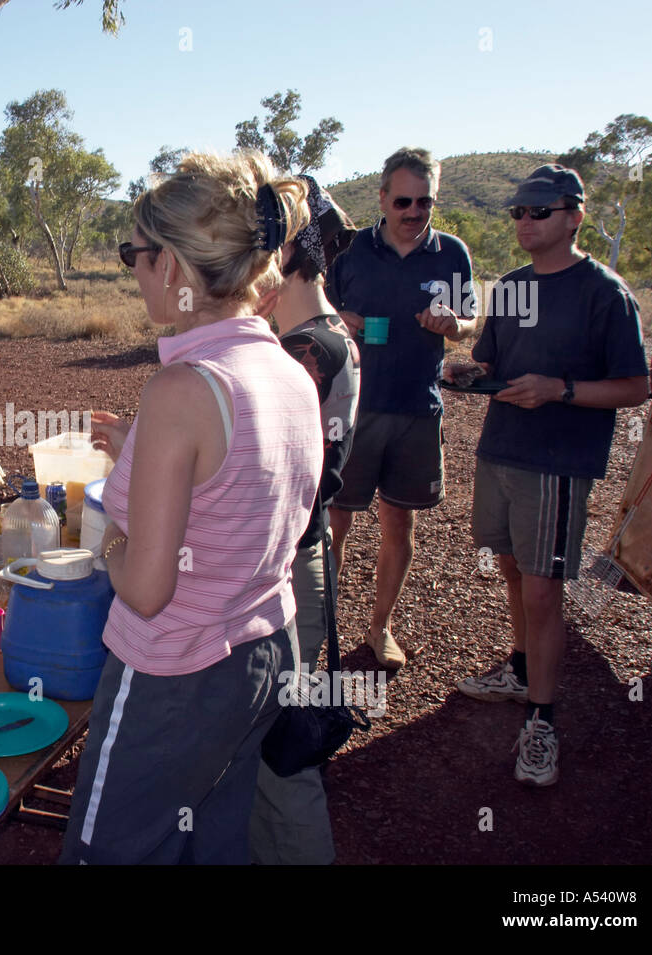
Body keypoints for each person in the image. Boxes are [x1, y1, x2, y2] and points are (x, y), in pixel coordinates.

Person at [60, 152, 323, 865]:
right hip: (264, 655)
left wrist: (113, 534)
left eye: (135, 255)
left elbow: (147, 587)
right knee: (211, 838)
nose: (134, 272)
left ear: (172, 266)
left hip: (172, 673)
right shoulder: (291, 374)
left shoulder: (182, 389)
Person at [455, 164, 648, 786]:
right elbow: (490, 358)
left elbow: (636, 388)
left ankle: (543, 720)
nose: (524, 222)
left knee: (543, 590)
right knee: (510, 567)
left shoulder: (606, 293)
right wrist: (467, 372)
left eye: (538, 212)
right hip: (501, 450)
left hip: (557, 466)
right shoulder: (510, 286)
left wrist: (559, 390)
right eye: (518, 212)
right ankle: (519, 669)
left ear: (574, 216)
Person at [326, 147, 479, 668]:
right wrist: (338, 319)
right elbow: (317, 316)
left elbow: (469, 320)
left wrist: (452, 326)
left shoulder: (451, 254)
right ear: (383, 198)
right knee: (335, 523)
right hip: (354, 410)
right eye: (404, 201)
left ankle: (379, 627)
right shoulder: (352, 255)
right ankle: (322, 623)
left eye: (425, 201)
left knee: (399, 524)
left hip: (417, 407)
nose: (414, 211)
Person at [249, 176, 360, 865]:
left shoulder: (304, 354)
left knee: (281, 760)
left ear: (283, 256)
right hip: (300, 564)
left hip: (289, 573)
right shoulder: (322, 334)